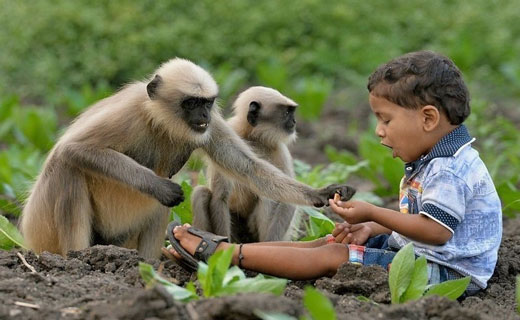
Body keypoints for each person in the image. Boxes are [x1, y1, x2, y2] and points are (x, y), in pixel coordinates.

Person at [165, 50, 502, 294]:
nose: (379, 132)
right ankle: (226, 249)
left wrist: (373, 212)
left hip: (445, 274)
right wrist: (371, 226)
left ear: (428, 119)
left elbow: (435, 231)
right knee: (326, 241)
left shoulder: (450, 169)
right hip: (420, 255)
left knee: (333, 255)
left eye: (386, 120)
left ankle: (227, 256)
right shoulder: (436, 160)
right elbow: (425, 224)